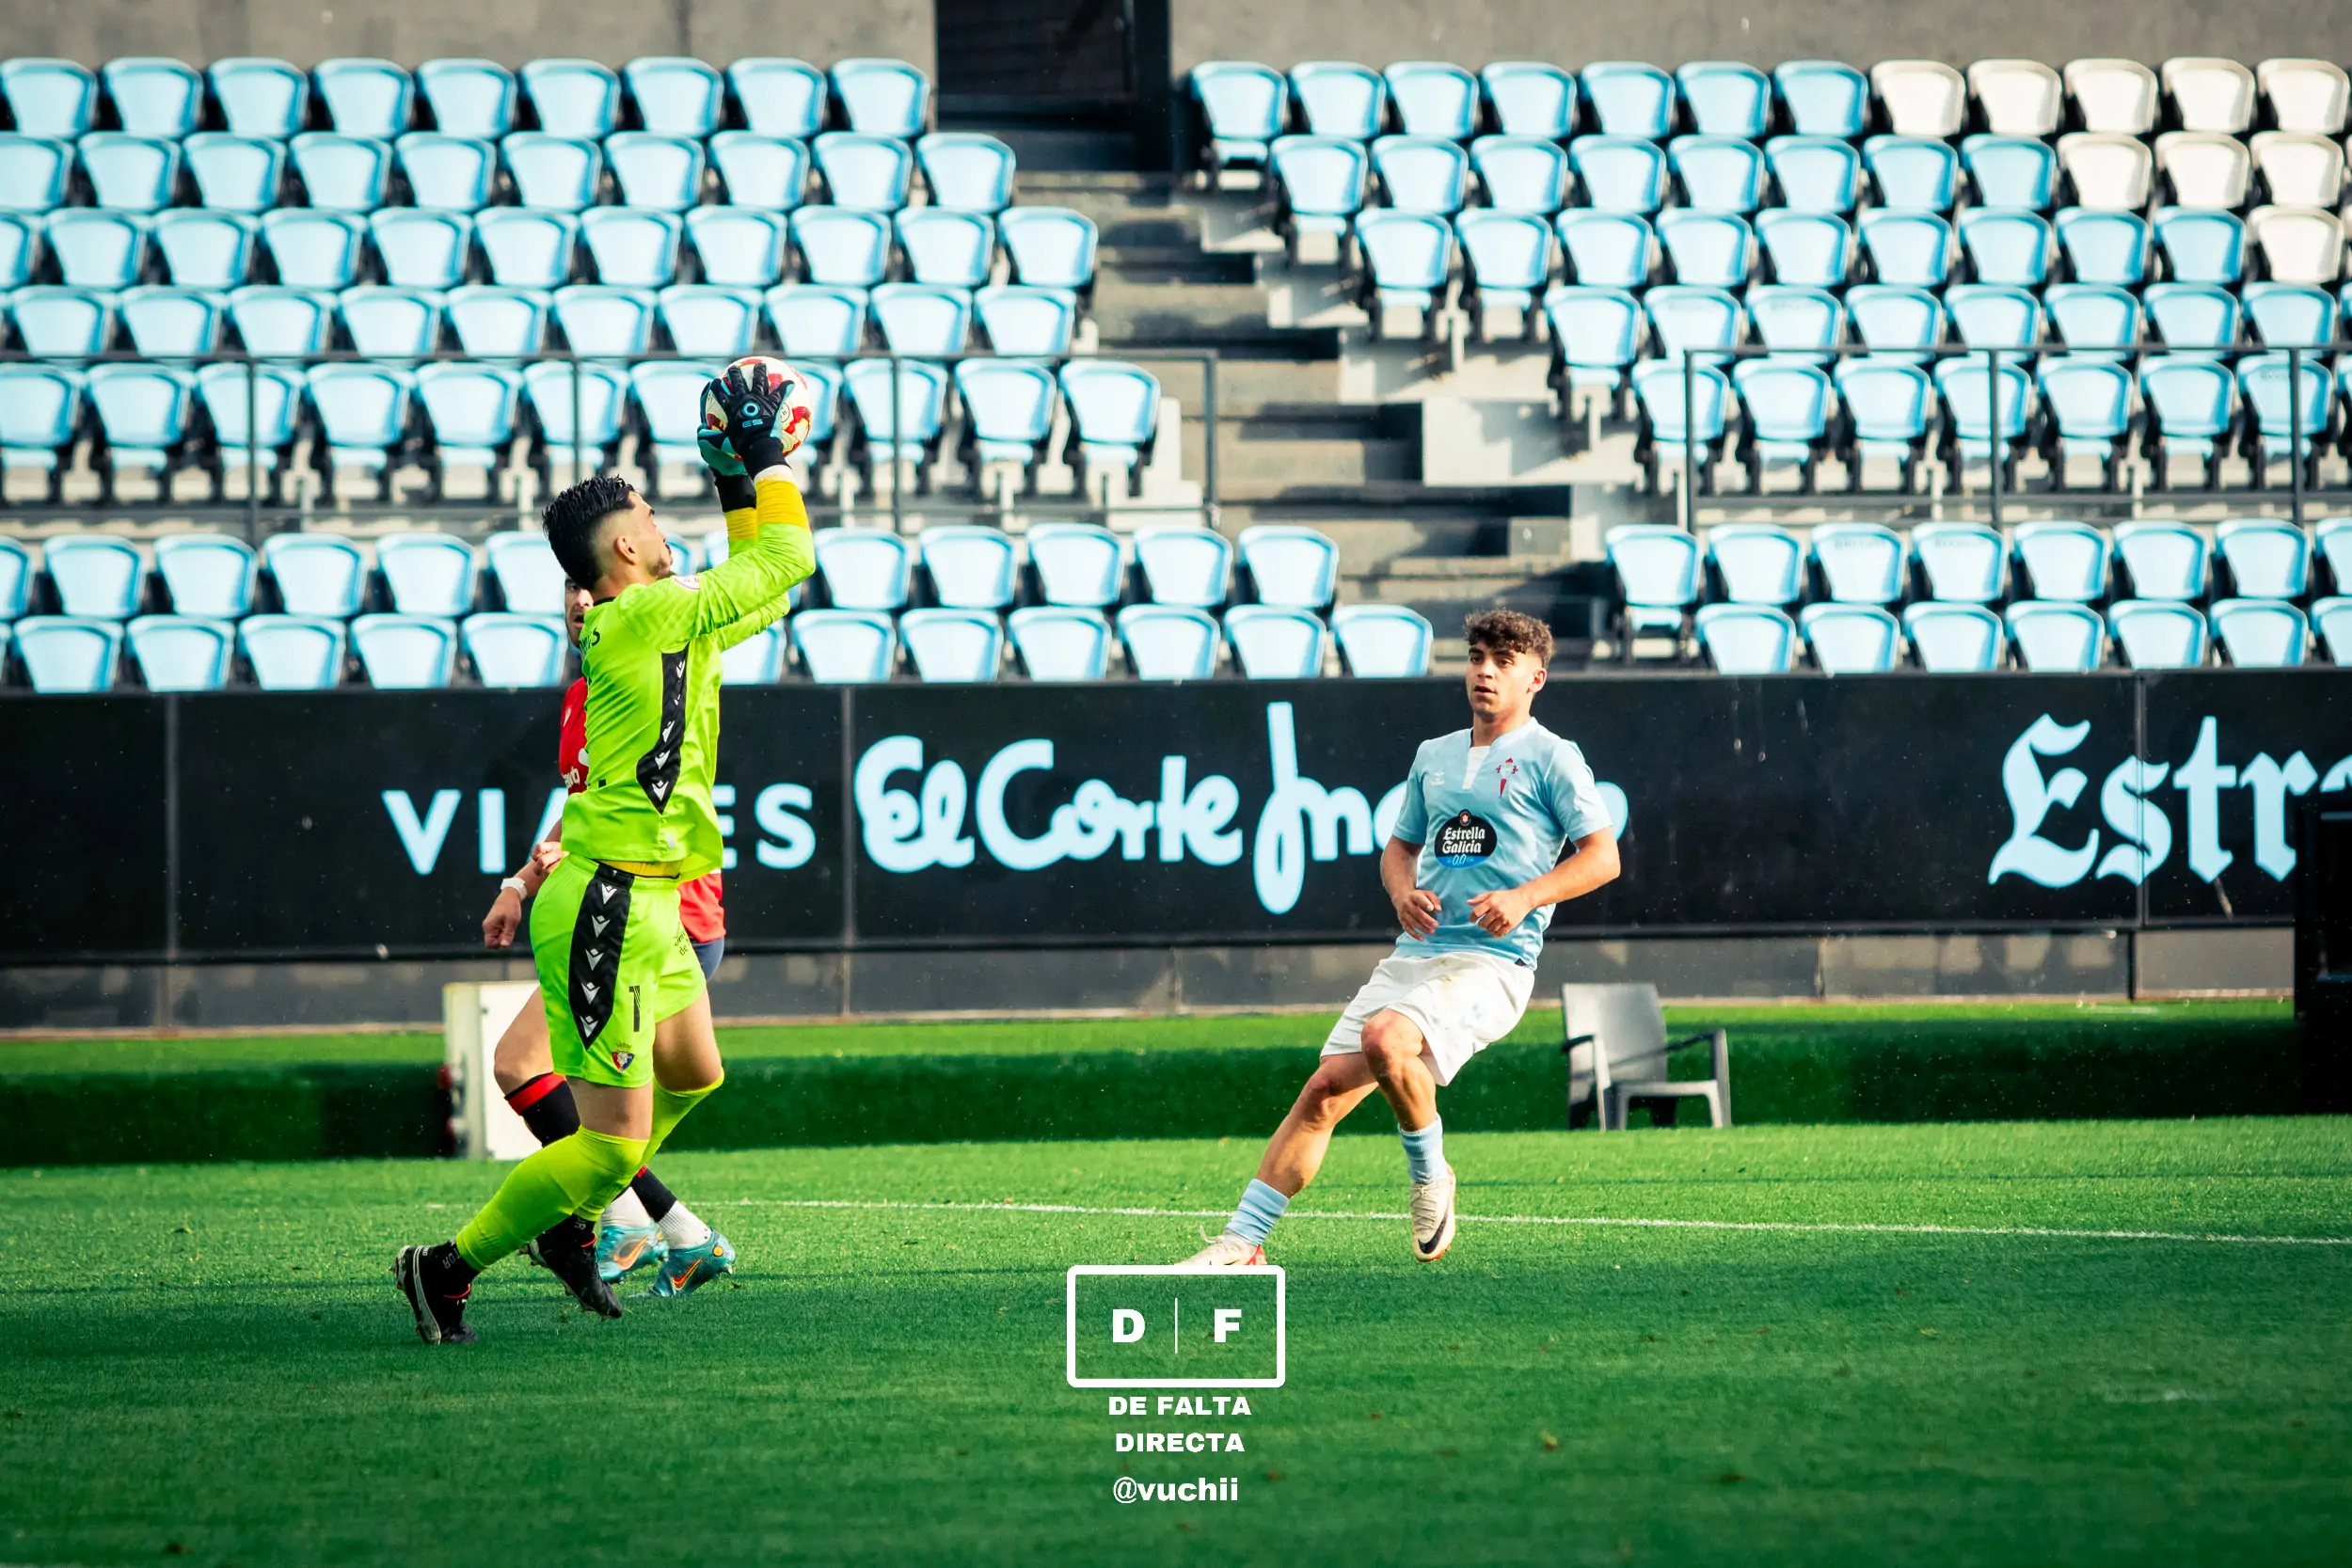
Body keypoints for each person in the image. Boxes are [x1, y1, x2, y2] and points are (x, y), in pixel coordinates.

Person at [397, 363, 815, 1344]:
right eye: (659, 518)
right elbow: (787, 558)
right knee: (606, 1145)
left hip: (650, 899)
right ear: (628, 546)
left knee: (695, 1073)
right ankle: (446, 1267)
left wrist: (728, 486)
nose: (670, 531)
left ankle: (590, 1199)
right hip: (609, 907)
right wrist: (759, 455)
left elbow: (769, 595)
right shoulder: (648, 617)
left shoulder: (650, 621)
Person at [1180, 610, 1619, 1268]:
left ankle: (1430, 1172)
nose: (1485, 671)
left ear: (1537, 677)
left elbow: (1603, 856)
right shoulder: (1434, 756)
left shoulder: (1554, 757)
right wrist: (1401, 890)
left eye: (1503, 660)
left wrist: (1526, 896)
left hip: (1493, 964)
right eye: (1476, 657)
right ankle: (1244, 1243)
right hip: (1417, 956)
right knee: (1325, 1089)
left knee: (1385, 1037)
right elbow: (1398, 847)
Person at [477, 577, 731, 1295]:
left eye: (592, 588)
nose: (579, 602)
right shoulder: (586, 685)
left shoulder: (638, 660)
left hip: (656, 911)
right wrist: (522, 882)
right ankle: (678, 1232)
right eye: (568, 590)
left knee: (526, 1067)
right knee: (610, 1096)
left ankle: (621, 1219)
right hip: (634, 909)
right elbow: (585, 803)